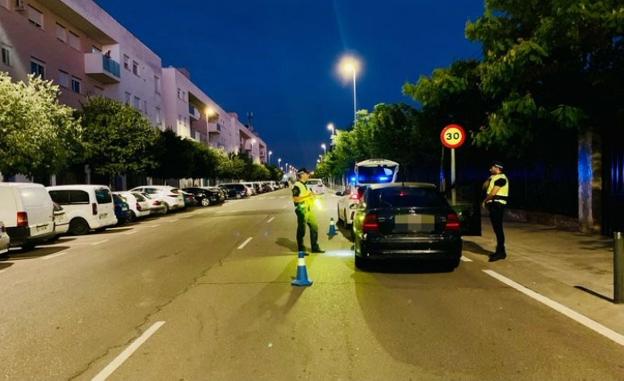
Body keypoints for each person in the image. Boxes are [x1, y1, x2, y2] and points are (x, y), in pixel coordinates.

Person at [292, 168, 324, 253]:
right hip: (301, 210)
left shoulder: (305, 185)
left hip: (309, 209)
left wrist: (314, 197)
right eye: (307, 174)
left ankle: (315, 247)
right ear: (302, 175)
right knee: (302, 230)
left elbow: (308, 195)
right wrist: (308, 196)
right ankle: (301, 249)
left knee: (314, 227)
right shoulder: (297, 186)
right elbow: (295, 199)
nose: (308, 175)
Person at [483, 161, 509, 262]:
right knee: (496, 228)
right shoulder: (494, 178)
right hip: (494, 204)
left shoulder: (502, 179)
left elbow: (493, 193)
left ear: (498, 168)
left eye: (492, 168)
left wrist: (485, 201)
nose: (490, 169)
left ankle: (501, 252)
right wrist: (489, 178)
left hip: (498, 204)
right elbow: (484, 187)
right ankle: (500, 251)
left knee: (498, 229)